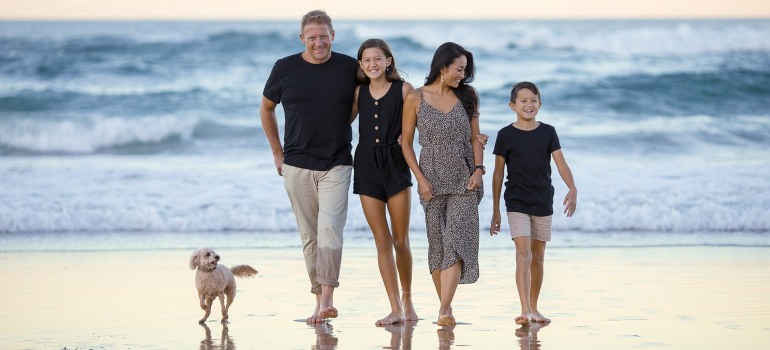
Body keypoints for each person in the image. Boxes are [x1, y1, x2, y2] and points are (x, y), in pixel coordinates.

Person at [259, 10, 358, 324]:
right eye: (312, 37)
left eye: (324, 36)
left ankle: (328, 297)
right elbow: (266, 108)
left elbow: (365, 99)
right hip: (297, 164)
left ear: (333, 35)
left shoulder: (349, 67)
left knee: (330, 230)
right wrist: (277, 152)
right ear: (302, 38)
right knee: (309, 236)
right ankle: (319, 302)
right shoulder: (284, 68)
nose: (319, 42)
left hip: (337, 162)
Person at [401, 42, 485, 327]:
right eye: (459, 69)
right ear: (442, 67)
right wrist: (420, 179)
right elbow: (406, 143)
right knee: (437, 246)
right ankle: (445, 310)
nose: (462, 75)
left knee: (456, 239)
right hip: (431, 179)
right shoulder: (415, 98)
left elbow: (475, 138)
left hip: (465, 178)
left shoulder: (469, 96)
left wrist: (478, 169)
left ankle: (445, 309)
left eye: (465, 70)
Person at [490, 81, 578, 325]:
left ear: (540, 103)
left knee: (538, 257)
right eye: (523, 101)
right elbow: (498, 174)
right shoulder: (505, 135)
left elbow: (560, 163)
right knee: (523, 253)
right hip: (516, 200)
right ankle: (525, 309)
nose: (529, 105)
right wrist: (496, 209)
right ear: (512, 105)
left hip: (542, 200)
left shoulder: (548, 132)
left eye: (533, 100)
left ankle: (535, 307)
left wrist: (572, 187)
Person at [352, 38, 418, 325]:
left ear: (388, 60)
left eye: (378, 59)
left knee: (401, 241)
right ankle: (394, 308)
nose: (372, 64)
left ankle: (407, 298)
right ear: (361, 65)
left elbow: (420, 122)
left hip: (396, 165)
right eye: (367, 60)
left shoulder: (404, 90)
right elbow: (338, 122)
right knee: (382, 240)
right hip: (366, 166)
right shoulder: (358, 93)